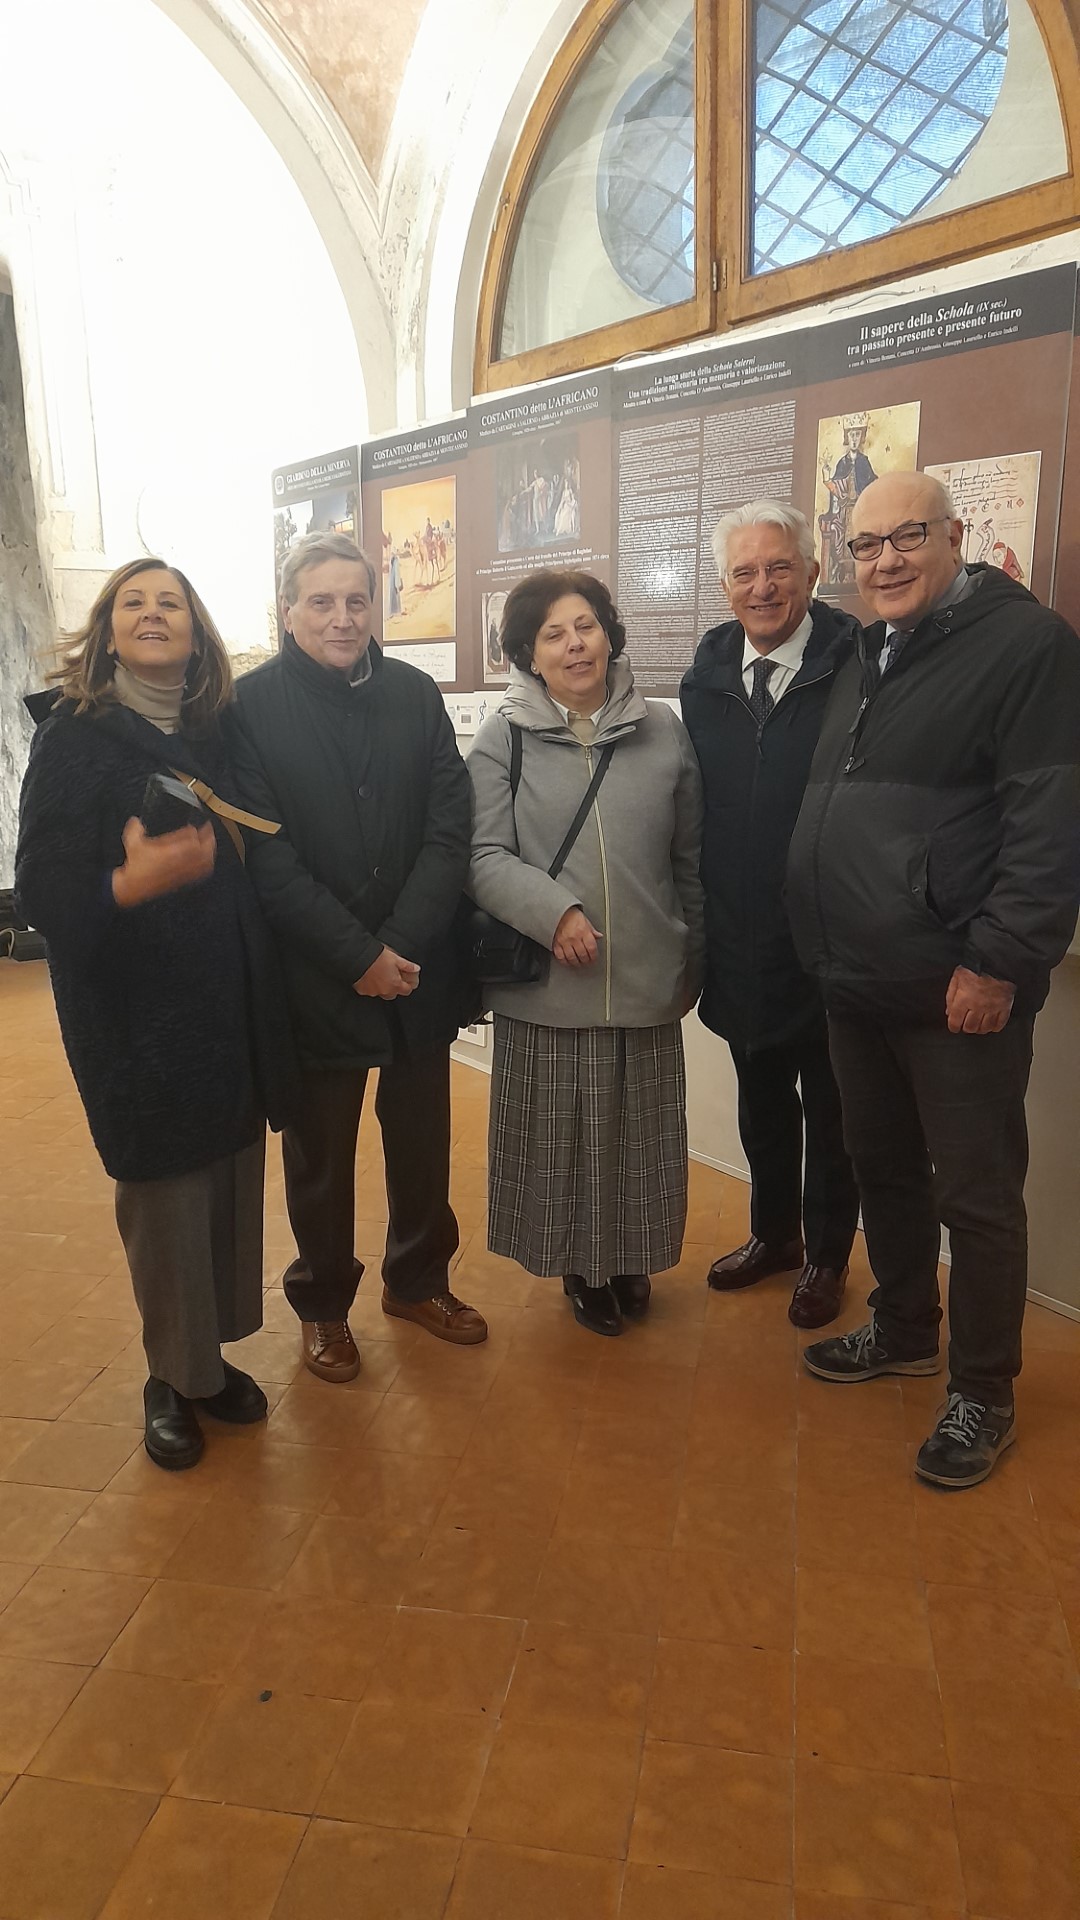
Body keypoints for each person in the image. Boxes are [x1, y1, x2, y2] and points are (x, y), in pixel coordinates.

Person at [787, 470, 1080, 1488]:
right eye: (865, 548)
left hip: (959, 986)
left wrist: (999, 960)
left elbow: (1050, 827)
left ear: (957, 536)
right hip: (857, 976)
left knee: (979, 1196)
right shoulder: (870, 652)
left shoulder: (1028, 647)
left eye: (906, 537)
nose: (885, 562)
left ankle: (983, 1393)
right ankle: (906, 1326)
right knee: (883, 1170)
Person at [15, 559, 296, 1471]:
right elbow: (44, 894)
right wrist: (127, 885)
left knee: (222, 1183)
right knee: (165, 1194)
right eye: (132, 602)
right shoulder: (76, 742)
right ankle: (169, 1379)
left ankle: (206, 1362)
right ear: (104, 633)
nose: (151, 614)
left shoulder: (217, 735)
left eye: (169, 602)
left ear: (196, 632)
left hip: (227, 1005)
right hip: (135, 1021)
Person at [228, 530, 486, 1384]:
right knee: (320, 1157)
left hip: (415, 971)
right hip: (316, 976)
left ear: (375, 606)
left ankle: (418, 1280)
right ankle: (324, 1305)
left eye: (356, 600)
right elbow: (266, 855)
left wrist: (399, 946)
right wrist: (355, 955)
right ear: (288, 609)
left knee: (421, 1142)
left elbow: (452, 824)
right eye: (322, 601)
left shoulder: (414, 694)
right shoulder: (249, 708)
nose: (342, 618)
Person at [468, 568, 705, 1337]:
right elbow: (480, 855)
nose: (575, 644)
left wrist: (689, 953)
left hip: (643, 977)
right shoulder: (505, 736)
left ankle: (631, 1257)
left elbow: (689, 858)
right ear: (529, 654)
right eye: (553, 634)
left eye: (587, 626)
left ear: (609, 633)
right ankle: (581, 1269)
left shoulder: (662, 729)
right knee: (567, 1138)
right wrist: (555, 910)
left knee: (641, 1135)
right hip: (551, 984)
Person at [681, 501, 860, 1329]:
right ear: (724, 588)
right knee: (761, 1100)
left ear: (814, 573)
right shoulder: (707, 670)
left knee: (833, 1110)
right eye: (745, 572)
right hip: (742, 934)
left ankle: (826, 1257)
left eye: (779, 567)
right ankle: (773, 1236)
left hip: (831, 935)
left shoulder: (856, 660)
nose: (764, 587)